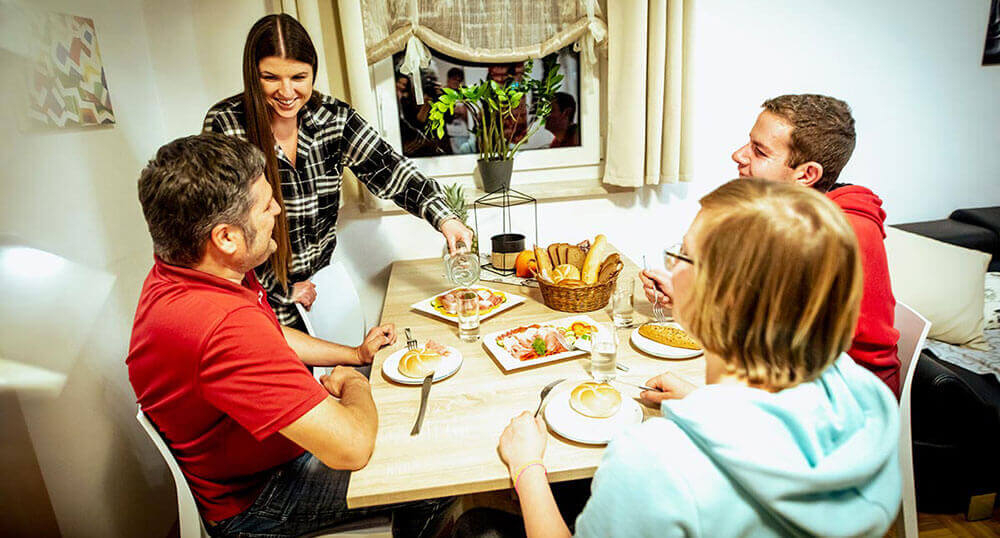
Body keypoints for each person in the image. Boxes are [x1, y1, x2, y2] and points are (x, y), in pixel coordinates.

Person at [481, 179, 901, 538]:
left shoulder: (655, 461)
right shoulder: (865, 399)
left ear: (722, 297)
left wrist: (527, 465)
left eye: (681, 255)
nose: (672, 268)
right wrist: (702, 401)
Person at [128, 133, 452, 537]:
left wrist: (353, 355)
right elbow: (351, 446)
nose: (278, 210)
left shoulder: (189, 269)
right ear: (226, 237)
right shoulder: (221, 327)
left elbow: (270, 333)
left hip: (271, 455)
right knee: (433, 474)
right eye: (266, 206)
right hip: (259, 500)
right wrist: (354, 383)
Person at [204, 14, 472, 329]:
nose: (287, 92)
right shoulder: (226, 124)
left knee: (341, 373)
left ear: (313, 72)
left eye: (299, 77)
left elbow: (390, 169)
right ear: (253, 74)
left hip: (321, 291)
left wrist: (445, 218)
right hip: (259, 301)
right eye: (271, 77)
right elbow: (223, 228)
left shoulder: (334, 118)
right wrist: (282, 292)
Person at [647, 94, 901, 395]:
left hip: (845, 406)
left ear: (806, 174)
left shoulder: (829, 237)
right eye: (748, 143)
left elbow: (775, 353)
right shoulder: (789, 215)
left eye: (759, 151)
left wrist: (699, 401)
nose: (738, 155)